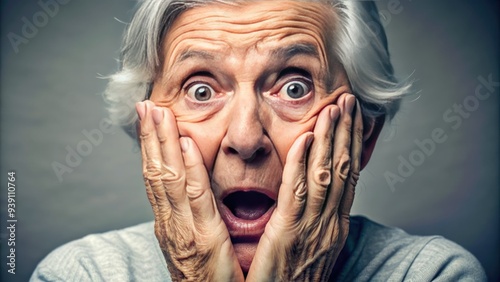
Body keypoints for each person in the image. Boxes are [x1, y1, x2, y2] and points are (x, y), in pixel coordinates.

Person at [31, 0, 487, 281]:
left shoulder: (432, 275)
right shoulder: (79, 275)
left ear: (362, 136)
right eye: (201, 89)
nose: (246, 138)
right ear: (148, 132)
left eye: (295, 86)